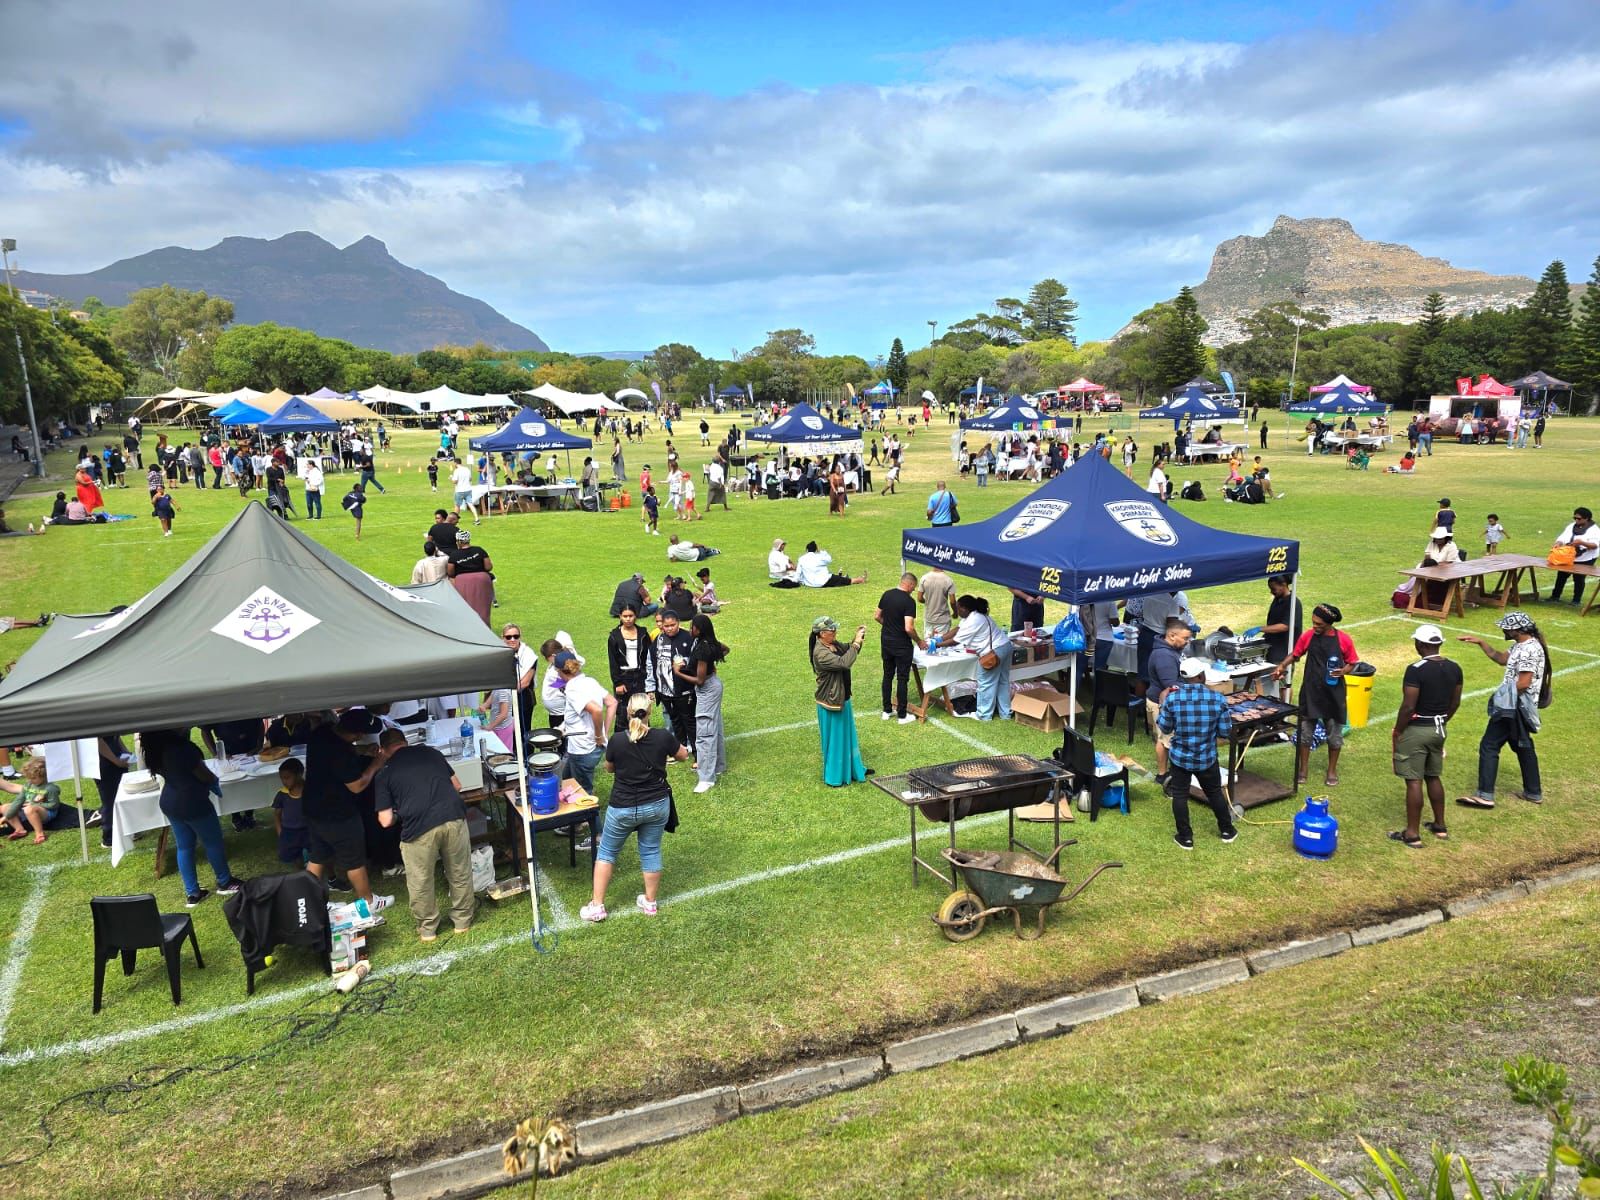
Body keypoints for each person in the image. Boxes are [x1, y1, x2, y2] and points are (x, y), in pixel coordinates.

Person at [582, 693, 689, 922]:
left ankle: (597, 906)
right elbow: (683, 755)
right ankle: (650, 903)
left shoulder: (618, 740)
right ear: (650, 712)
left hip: (623, 807)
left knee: (607, 853)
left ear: (628, 713)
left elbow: (609, 768)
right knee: (650, 850)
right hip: (657, 806)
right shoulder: (662, 737)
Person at [374, 729, 474, 942]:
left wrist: (400, 812)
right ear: (405, 742)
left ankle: (428, 929)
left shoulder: (384, 773)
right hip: (453, 816)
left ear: (382, 750)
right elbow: (457, 785)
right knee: (459, 871)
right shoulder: (431, 752)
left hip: (418, 828)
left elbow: (385, 820)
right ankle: (462, 922)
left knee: (420, 880)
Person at [139, 729, 245, 907]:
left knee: (184, 846)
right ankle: (225, 882)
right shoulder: (183, 748)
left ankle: (193, 893)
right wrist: (213, 781)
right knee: (213, 842)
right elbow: (204, 775)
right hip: (193, 802)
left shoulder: (156, 747)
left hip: (170, 801)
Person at [1456, 612, 1550, 809]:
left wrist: (1501, 697)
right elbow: (1501, 659)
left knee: (1489, 745)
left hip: (1513, 706)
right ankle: (1533, 792)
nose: (1503, 630)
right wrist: (1481, 643)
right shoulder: (1520, 645)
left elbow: (1523, 683)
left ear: (1517, 630)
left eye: (1506, 628)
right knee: (1523, 746)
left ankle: (1485, 795)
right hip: (1517, 706)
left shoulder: (1528, 650)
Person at [302, 712, 396, 909]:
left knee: (318, 855)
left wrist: (363, 751)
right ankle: (368, 901)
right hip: (338, 813)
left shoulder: (322, 732)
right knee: (354, 859)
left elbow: (340, 748)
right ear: (358, 734)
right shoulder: (341, 755)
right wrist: (375, 765)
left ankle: (308, 902)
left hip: (313, 807)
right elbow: (357, 786)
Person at [1388, 624, 1463, 848]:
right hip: (1439, 728)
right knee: (1433, 775)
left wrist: (1398, 730)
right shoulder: (1454, 668)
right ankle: (1440, 826)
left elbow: (1408, 706)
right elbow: (1455, 702)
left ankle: (1412, 834)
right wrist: (1442, 720)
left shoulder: (1416, 669)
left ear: (1420, 644)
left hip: (1417, 729)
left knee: (1414, 780)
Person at [1272, 603, 1358, 788]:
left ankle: (1331, 770)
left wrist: (1343, 671)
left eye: (1319, 624)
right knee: (1305, 733)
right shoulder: (1309, 636)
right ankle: (1303, 769)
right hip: (1311, 692)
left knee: (1334, 736)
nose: (1314, 626)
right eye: (1313, 622)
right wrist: (1282, 666)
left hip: (1333, 694)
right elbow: (1295, 654)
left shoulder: (1343, 639)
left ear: (1329, 623)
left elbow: (1352, 662)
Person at [1157, 659, 1238, 849]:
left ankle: (1185, 837)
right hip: (1206, 757)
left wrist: (1162, 705)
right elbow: (1225, 731)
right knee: (1214, 793)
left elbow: (1165, 728)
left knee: (1180, 795)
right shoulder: (1217, 699)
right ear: (1201, 676)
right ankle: (1227, 831)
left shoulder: (1173, 699)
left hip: (1180, 757)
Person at [810, 617, 871, 786]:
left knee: (847, 737)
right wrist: (856, 643)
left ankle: (852, 769)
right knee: (836, 742)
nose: (835, 632)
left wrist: (858, 638)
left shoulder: (833, 644)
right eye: (832, 630)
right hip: (831, 702)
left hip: (841, 698)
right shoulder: (820, 653)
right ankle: (835, 777)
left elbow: (850, 651)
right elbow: (844, 663)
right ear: (822, 634)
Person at [676, 614, 728, 794]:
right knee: (715, 726)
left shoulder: (703, 648)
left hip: (707, 689)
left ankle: (706, 778)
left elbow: (699, 680)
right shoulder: (708, 642)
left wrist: (678, 672)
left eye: (693, 627)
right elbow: (725, 649)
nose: (690, 629)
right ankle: (719, 765)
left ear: (699, 629)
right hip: (714, 685)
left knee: (705, 732)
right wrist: (710, 664)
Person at [555, 650, 613, 794]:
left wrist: (599, 735)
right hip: (588, 748)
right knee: (565, 782)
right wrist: (604, 732)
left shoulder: (572, 689)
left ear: (560, 671)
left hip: (583, 749)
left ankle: (590, 809)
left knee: (582, 794)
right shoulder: (590, 681)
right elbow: (612, 702)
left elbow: (596, 710)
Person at [944, 595, 1011, 720]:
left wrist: (937, 644)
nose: (956, 611)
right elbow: (958, 629)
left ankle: (984, 715)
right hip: (1005, 646)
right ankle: (1005, 713)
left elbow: (955, 641)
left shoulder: (974, 620)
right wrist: (940, 638)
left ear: (964, 608)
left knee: (986, 683)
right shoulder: (975, 615)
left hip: (993, 653)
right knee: (1003, 682)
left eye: (958, 608)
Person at [1145, 618, 1191, 785]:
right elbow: (1170, 685)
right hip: (1162, 703)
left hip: (1161, 701)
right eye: (1185, 638)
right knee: (1166, 740)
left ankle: (1165, 773)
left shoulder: (1169, 650)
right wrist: (1192, 685)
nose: (1188, 642)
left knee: (1163, 738)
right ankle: (1164, 775)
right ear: (1172, 636)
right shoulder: (1164, 656)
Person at [875, 573, 925, 723]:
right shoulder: (908, 602)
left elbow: (877, 616)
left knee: (887, 675)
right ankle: (902, 715)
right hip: (902, 645)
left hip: (886, 641)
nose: (913, 590)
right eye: (914, 587)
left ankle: (887, 710)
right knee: (902, 678)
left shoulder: (887, 594)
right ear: (910, 584)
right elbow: (909, 628)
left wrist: (889, 626)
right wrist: (919, 641)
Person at [651, 610, 697, 749]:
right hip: (665, 690)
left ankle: (696, 751)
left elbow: (697, 659)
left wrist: (685, 662)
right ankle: (681, 749)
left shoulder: (688, 638)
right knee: (675, 720)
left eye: (673, 625)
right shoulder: (658, 640)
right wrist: (652, 687)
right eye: (666, 626)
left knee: (689, 720)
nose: (670, 628)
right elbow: (651, 662)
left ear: (678, 623)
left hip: (685, 690)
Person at [1, 757, 59, 844]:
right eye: (28, 778)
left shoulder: (50, 788)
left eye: (33, 778)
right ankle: (19, 830)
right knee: (5, 807)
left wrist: (35, 804)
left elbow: (54, 805)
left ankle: (39, 834)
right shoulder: (28, 785)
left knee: (29, 809)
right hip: (30, 808)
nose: (30, 781)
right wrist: (6, 816)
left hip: (46, 812)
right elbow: (18, 801)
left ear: (44, 776)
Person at [607, 604, 654, 709]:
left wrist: (650, 680)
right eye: (625, 616)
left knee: (641, 709)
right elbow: (613, 661)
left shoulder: (643, 633)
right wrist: (618, 683)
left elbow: (649, 657)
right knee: (623, 711)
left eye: (630, 616)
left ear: (635, 616)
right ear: (620, 616)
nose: (628, 619)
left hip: (640, 676)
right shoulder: (614, 636)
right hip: (623, 677)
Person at [1549, 506, 1598, 606]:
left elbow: (1595, 545)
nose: (1576, 520)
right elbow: (1563, 537)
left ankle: (1576, 601)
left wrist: (1582, 542)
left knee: (1579, 578)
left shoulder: (1594, 530)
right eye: (1575, 518)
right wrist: (1558, 543)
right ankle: (1555, 597)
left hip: (1586, 558)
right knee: (1561, 576)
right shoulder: (1571, 526)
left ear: (1587, 518)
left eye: (1579, 518)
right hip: (1569, 557)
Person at [446, 528, 494, 626]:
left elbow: (450, 572)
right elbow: (488, 567)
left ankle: (469, 628)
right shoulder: (479, 550)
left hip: (463, 582)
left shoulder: (454, 555)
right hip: (482, 580)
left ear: (459, 541)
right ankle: (485, 629)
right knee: (483, 607)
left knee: (466, 606)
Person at [271, 757, 310, 865]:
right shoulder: (282, 795)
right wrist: (280, 832)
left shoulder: (310, 791)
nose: (284, 781)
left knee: (318, 854)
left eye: (287, 778)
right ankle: (300, 870)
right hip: (289, 832)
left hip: (309, 830)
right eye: (282, 778)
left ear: (299, 774)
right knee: (294, 857)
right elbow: (277, 815)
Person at [1261, 575, 1303, 668]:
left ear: (1283, 585)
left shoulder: (1293, 603)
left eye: (1273, 589)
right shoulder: (1277, 599)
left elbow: (1285, 626)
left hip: (1283, 653)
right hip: (1273, 647)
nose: (1271, 592)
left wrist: (1260, 629)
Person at [795, 540, 867, 588]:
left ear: (807, 550)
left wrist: (800, 581)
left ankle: (844, 577)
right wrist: (821, 551)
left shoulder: (801, 559)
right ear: (816, 550)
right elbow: (829, 559)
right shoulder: (819, 557)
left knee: (837, 578)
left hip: (810, 583)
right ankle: (860, 580)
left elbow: (798, 574)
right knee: (845, 580)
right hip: (824, 581)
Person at [918, 567, 956, 640]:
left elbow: (919, 598)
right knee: (941, 643)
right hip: (943, 619)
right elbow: (952, 601)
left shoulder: (924, 578)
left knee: (928, 643)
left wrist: (928, 602)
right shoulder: (948, 580)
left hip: (929, 618)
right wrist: (955, 612)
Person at [451, 458, 477, 524]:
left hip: (459, 490)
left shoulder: (456, 471)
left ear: (455, 463)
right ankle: (477, 519)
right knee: (470, 504)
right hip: (468, 489)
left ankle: (455, 520)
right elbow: (470, 479)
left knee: (457, 505)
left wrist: (451, 478)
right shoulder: (467, 469)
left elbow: (455, 481)